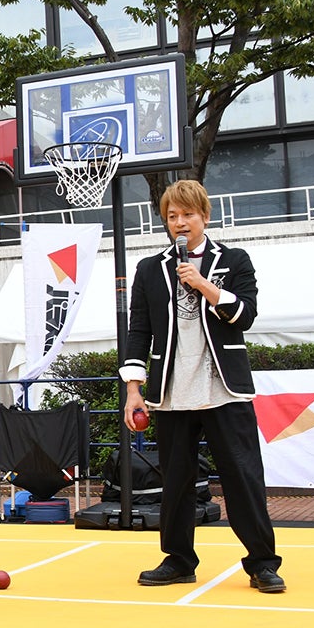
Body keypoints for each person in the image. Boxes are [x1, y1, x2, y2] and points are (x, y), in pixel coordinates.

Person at [120, 179, 285, 594]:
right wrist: (134, 390)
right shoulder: (149, 269)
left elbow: (245, 316)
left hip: (223, 388)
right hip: (172, 390)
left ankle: (262, 562)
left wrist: (203, 284)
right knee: (175, 481)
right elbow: (138, 330)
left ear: (204, 217)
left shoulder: (233, 259)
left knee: (242, 476)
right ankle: (178, 559)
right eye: (172, 216)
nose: (180, 223)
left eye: (187, 215)